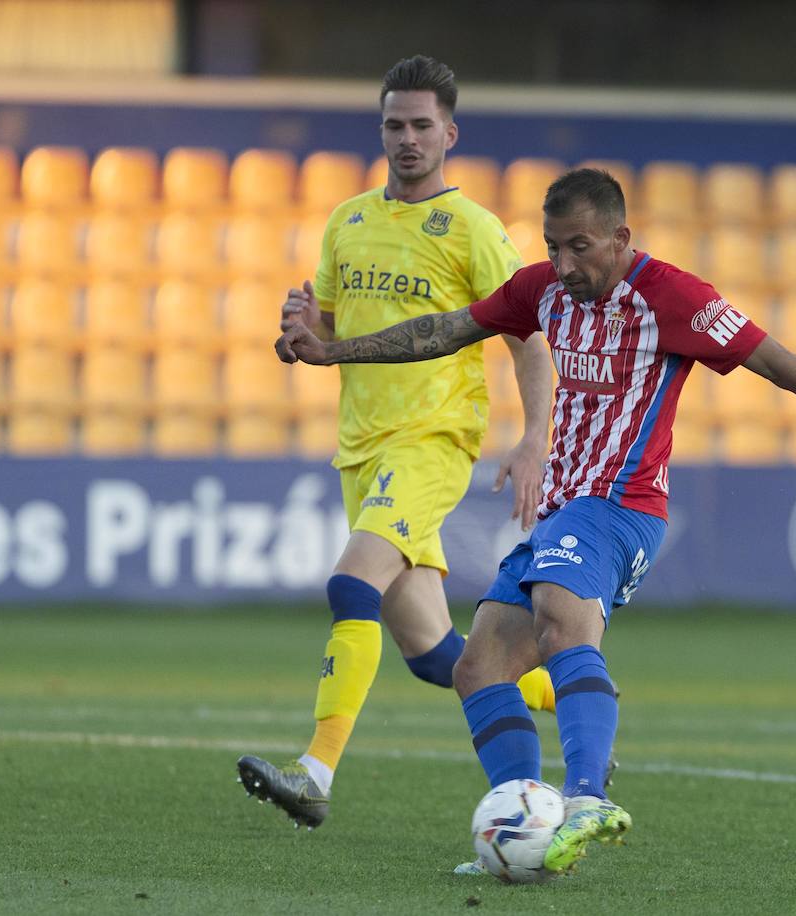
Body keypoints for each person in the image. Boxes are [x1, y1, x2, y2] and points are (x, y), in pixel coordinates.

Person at [274, 167, 796, 872]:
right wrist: (332, 351)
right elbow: (443, 330)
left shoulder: (675, 298)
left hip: (623, 505)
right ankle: (525, 831)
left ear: (620, 237)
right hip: (562, 512)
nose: (564, 264)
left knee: (560, 613)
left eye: (579, 246)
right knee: (479, 667)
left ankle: (587, 797)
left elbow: (780, 364)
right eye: (552, 246)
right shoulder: (541, 288)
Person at [236, 55, 560, 831]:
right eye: (394, 124)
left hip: (431, 439)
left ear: (450, 133)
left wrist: (535, 438)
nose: (407, 138)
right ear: (380, 130)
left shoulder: (476, 232)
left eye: (422, 125)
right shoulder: (347, 221)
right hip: (361, 447)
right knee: (438, 655)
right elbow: (335, 331)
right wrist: (302, 336)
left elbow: (527, 341)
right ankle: (567, 686)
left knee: (351, 585)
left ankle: (314, 775)